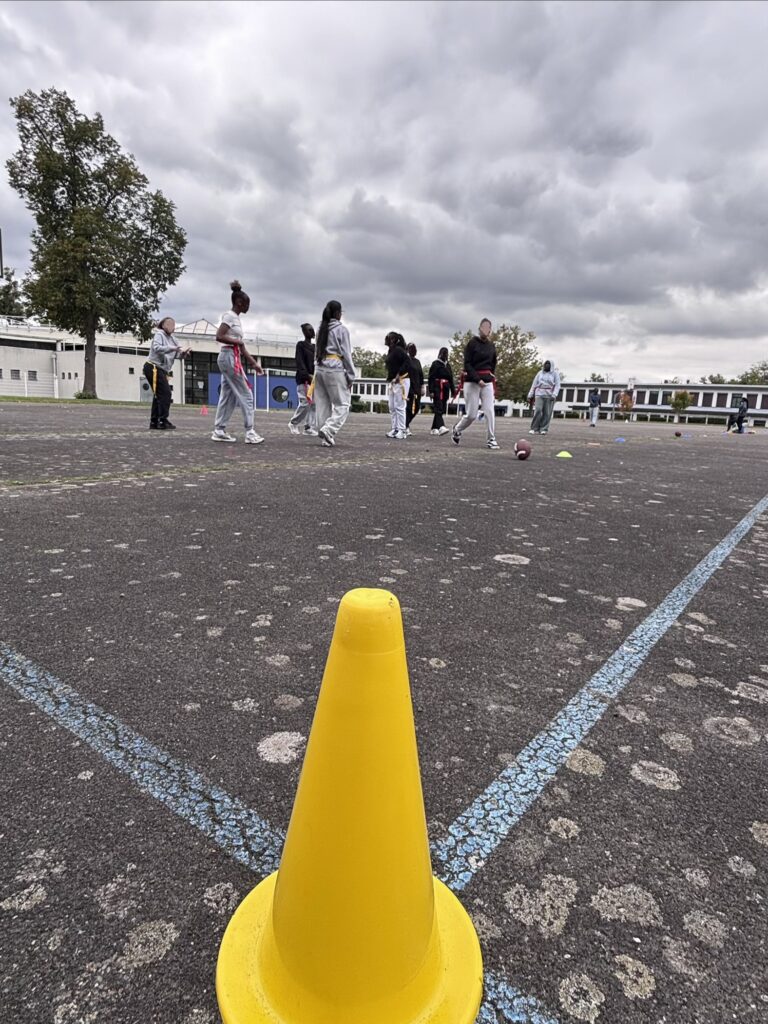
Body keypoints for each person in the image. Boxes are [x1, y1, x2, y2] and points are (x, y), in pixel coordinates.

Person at [212, 280, 264, 444]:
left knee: (228, 396)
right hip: (228, 357)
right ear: (239, 302)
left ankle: (219, 429)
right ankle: (250, 432)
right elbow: (219, 336)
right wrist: (238, 343)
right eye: (247, 303)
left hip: (232, 357)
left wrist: (254, 363)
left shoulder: (236, 319)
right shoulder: (229, 316)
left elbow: (241, 346)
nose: (249, 307)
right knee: (246, 395)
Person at [451, 318, 499, 450]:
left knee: (489, 410)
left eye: (488, 327)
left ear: (490, 330)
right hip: (472, 381)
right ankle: (457, 429)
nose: (485, 329)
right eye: (483, 326)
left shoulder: (491, 346)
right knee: (472, 414)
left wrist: (490, 376)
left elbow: (493, 363)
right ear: (479, 328)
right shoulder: (472, 343)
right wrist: (478, 379)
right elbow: (467, 364)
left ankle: (491, 438)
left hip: (487, 382)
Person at [313, 300, 356, 447]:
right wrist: (350, 376)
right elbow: (346, 354)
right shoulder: (341, 330)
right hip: (334, 368)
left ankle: (326, 437)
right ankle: (329, 429)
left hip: (319, 368)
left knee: (323, 403)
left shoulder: (320, 329)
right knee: (343, 404)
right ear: (338, 313)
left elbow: (316, 351)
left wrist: (316, 368)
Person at [144, 317, 189, 430]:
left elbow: (177, 355)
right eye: (168, 324)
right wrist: (173, 348)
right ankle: (162, 420)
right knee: (166, 394)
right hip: (153, 367)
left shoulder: (174, 339)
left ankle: (154, 421)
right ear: (163, 325)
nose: (171, 326)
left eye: (173, 324)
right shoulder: (160, 335)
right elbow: (157, 348)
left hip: (162, 370)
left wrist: (183, 354)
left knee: (159, 395)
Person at [289, 323, 318, 436]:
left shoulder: (315, 347)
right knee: (305, 402)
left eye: (312, 329)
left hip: (314, 379)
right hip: (304, 379)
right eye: (309, 330)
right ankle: (293, 422)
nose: (311, 332)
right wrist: (306, 375)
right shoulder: (300, 345)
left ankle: (309, 427)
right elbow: (299, 361)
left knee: (314, 404)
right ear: (304, 332)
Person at [385, 333, 410, 439]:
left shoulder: (399, 350)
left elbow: (407, 361)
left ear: (393, 339)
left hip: (401, 381)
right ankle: (395, 428)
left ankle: (402, 430)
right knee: (392, 406)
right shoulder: (391, 350)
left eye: (387, 338)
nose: (385, 339)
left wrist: (398, 374)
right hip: (393, 382)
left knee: (400, 406)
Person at [527, 359, 561, 435]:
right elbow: (534, 384)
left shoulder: (555, 374)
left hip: (549, 395)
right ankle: (534, 428)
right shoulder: (539, 373)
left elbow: (557, 385)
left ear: (551, 366)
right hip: (539, 393)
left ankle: (543, 428)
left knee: (547, 413)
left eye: (548, 364)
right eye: (546, 364)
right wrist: (530, 394)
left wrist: (554, 394)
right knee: (538, 410)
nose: (547, 365)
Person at [427, 347, 455, 435]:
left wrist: (453, 391)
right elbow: (431, 378)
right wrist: (431, 391)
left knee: (442, 408)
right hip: (437, 387)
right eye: (443, 354)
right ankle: (441, 426)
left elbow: (451, 379)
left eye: (446, 354)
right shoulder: (435, 364)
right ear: (440, 354)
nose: (445, 356)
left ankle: (434, 428)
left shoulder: (448, 365)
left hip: (445, 388)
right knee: (438, 406)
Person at [405, 343, 424, 435]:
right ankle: (405, 426)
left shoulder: (417, 361)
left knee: (416, 408)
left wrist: (422, 386)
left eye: (415, 349)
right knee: (408, 407)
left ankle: (406, 423)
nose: (414, 351)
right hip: (408, 388)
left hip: (417, 388)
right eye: (412, 349)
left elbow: (421, 375)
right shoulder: (405, 361)